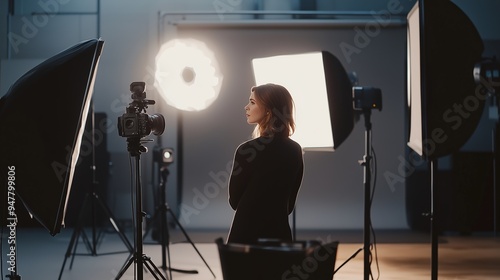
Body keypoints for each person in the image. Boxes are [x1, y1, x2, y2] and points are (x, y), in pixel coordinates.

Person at [226, 83, 304, 245]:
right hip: (279, 238)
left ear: (269, 110)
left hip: (245, 240)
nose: (246, 107)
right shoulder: (295, 150)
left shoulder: (246, 151)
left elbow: (234, 202)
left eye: (252, 102)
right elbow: (289, 206)